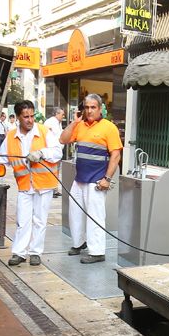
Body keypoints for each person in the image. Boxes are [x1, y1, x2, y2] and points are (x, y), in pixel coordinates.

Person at [0, 99, 61, 267]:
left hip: (44, 184)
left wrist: (41, 152)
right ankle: (19, 253)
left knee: (40, 220)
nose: (30, 120)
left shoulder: (44, 131)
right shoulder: (11, 137)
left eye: (32, 116)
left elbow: (57, 152)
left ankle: (35, 252)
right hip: (25, 185)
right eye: (26, 117)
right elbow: (1, 159)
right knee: (22, 220)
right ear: (18, 117)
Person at [58, 93, 122, 264]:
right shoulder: (80, 126)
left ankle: (97, 251)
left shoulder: (109, 128)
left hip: (96, 181)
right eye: (86, 107)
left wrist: (107, 179)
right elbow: (62, 139)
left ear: (100, 108)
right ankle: (79, 243)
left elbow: (116, 155)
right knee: (75, 212)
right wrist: (74, 122)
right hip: (80, 179)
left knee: (95, 215)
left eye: (93, 107)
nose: (89, 110)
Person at [43, 107, 66, 198]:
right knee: (52, 170)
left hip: (58, 151)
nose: (63, 116)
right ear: (56, 114)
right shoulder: (50, 122)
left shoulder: (58, 123)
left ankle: (55, 189)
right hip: (51, 151)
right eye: (62, 114)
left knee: (56, 171)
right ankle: (51, 189)